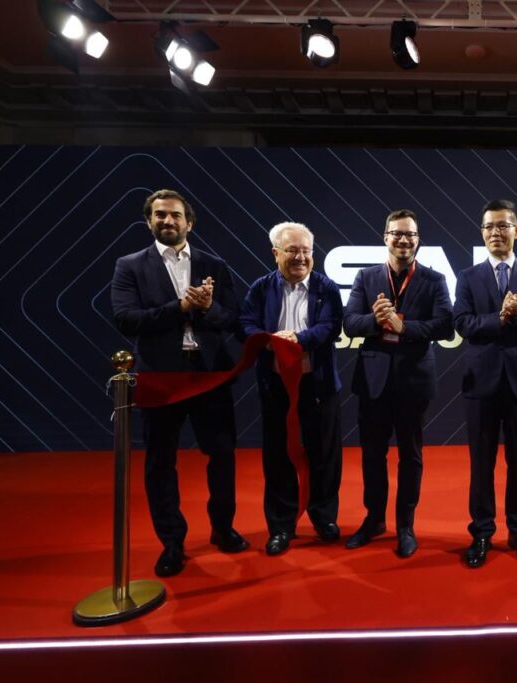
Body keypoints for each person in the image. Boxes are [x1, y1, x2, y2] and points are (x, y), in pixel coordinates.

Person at [111, 188, 248, 577]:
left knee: (222, 455)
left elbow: (233, 320)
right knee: (160, 462)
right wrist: (181, 308)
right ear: (148, 221)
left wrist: (206, 308)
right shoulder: (130, 266)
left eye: (175, 215)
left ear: (190, 222)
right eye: (160, 215)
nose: (167, 221)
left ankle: (223, 529)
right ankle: (172, 542)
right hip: (160, 376)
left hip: (209, 374)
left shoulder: (214, 264)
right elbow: (126, 319)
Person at [342, 209, 453, 558]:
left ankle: (406, 525)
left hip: (413, 379)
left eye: (410, 234)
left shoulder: (434, 280)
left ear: (418, 240)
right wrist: (375, 321)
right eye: (397, 233)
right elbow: (349, 323)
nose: (403, 240)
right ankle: (374, 519)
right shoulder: (365, 277)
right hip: (373, 379)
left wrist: (405, 328)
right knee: (373, 454)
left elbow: (445, 326)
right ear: (385, 237)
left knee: (411, 455)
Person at [453, 199, 517, 568]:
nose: (496, 232)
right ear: (482, 233)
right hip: (481, 382)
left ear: (516, 230)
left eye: (503, 225)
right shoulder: (468, 277)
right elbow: (462, 324)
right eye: (489, 226)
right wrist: (500, 317)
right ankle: (481, 532)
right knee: (481, 463)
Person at [239, 222, 344, 556]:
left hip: (319, 385)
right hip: (276, 386)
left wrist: (298, 339)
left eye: (306, 251)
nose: (300, 257)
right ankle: (281, 526)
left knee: (325, 454)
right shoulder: (260, 288)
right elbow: (246, 324)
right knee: (278, 456)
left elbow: (331, 327)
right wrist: (269, 340)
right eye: (292, 250)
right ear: (276, 253)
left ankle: (324, 518)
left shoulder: (327, 288)